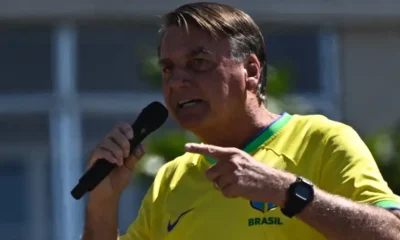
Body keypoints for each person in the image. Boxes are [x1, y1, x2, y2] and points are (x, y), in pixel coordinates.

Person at [82, 2, 400, 240]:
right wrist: (102, 201)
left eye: (198, 63)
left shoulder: (321, 140)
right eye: (168, 68)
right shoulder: (171, 179)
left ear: (250, 71)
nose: (177, 81)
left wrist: (286, 190)